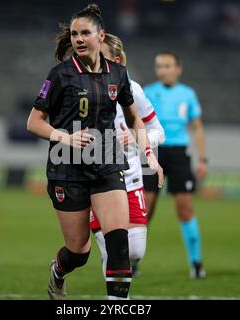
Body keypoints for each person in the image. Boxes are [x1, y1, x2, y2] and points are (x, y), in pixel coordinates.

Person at [26, 4, 163, 300]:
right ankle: (58, 272)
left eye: (85, 32)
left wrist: (148, 153)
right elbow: (34, 122)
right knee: (79, 251)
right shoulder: (60, 75)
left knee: (119, 243)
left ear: (100, 36)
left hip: (107, 165)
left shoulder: (118, 73)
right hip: (67, 168)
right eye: (74, 33)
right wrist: (65, 136)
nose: (78, 38)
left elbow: (134, 117)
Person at [89, 33, 165, 278]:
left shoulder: (133, 90)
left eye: (101, 58)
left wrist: (136, 138)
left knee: (135, 252)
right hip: (96, 177)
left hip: (131, 176)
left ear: (118, 61)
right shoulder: (82, 88)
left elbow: (158, 132)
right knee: (116, 250)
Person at [143, 51, 208, 279]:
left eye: (167, 66)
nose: (162, 70)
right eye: (159, 66)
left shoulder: (188, 94)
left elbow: (197, 126)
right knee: (145, 209)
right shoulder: (148, 92)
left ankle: (196, 263)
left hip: (180, 153)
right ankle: (132, 261)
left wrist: (202, 158)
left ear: (178, 68)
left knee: (185, 208)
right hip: (153, 152)